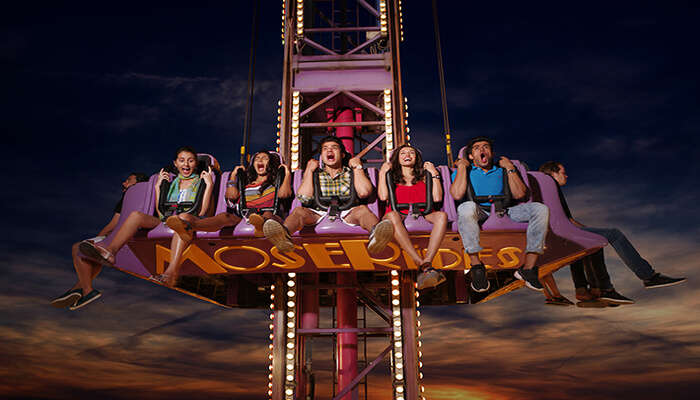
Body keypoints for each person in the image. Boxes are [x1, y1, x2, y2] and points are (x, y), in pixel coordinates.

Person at [78, 147, 215, 295]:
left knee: (179, 223)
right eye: (182, 160)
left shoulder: (200, 181)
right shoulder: (173, 183)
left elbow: (202, 211)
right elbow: (162, 211)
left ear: (196, 164)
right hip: (167, 220)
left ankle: (170, 274)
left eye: (190, 160)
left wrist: (209, 185)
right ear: (175, 163)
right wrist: (158, 187)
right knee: (137, 215)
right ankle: (110, 251)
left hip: (188, 221)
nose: (186, 164)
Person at [539, 161, 686, 294]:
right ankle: (649, 276)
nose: (567, 175)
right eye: (563, 173)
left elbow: (568, 219)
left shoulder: (545, 191)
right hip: (560, 233)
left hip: (559, 231)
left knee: (593, 239)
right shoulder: (551, 188)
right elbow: (563, 221)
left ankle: (585, 290)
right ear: (552, 174)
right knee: (614, 234)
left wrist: (591, 231)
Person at [157, 151, 293, 287]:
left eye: (264, 158)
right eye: (257, 158)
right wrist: (234, 175)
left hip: (269, 216)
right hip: (246, 217)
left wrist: (285, 173)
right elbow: (232, 196)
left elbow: (284, 194)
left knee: (267, 216)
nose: (260, 160)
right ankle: (190, 225)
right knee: (225, 216)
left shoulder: (274, 184)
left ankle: (261, 226)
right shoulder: (246, 184)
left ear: (270, 164)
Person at [263, 135, 394, 255]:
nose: (329, 151)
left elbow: (364, 192)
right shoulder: (315, 174)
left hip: (348, 210)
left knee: (363, 211)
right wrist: (309, 170)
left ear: (342, 155)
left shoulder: (352, 172)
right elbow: (304, 197)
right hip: (318, 211)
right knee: (299, 212)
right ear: (321, 155)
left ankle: (377, 236)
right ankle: (283, 237)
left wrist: (357, 167)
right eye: (325, 148)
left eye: (334, 148)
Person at [451, 136, 549, 293]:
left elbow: (519, 194)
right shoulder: (466, 170)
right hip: (480, 210)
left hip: (505, 210)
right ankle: (477, 267)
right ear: (470, 156)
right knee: (465, 208)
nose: (482, 150)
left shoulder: (502, 170)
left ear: (491, 152)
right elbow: (456, 194)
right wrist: (462, 167)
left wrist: (509, 167)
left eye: (486, 147)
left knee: (540, 209)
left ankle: (528, 269)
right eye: (477, 148)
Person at [50, 172, 149, 310]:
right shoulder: (129, 199)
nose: (124, 183)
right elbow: (113, 224)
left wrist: (96, 241)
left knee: (77, 249)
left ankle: (86, 290)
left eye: (128, 180)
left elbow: (113, 225)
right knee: (89, 253)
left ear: (138, 184)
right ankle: (79, 289)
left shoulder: (137, 198)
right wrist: (96, 240)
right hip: (118, 237)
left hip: (126, 240)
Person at [377, 144, 448, 290]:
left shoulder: (424, 176)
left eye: (411, 153)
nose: (407, 155)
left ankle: (427, 260)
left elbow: (437, 197)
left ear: (417, 158)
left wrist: (433, 173)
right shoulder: (392, 176)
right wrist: (382, 173)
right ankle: (418, 261)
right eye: (403, 153)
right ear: (397, 158)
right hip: (398, 214)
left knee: (441, 216)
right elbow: (383, 196)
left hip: (423, 212)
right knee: (392, 216)